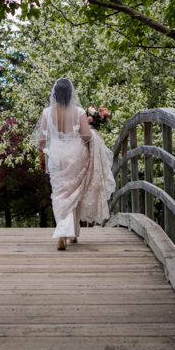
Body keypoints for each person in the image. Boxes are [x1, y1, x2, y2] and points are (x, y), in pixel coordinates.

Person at [33, 78, 114, 250]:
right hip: (75, 156)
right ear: (71, 94)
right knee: (74, 193)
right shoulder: (78, 112)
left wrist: (42, 155)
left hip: (55, 156)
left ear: (54, 94)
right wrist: (93, 134)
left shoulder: (47, 112)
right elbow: (85, 136)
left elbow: (42, 139)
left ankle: (68, 233)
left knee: (60, 194)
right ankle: (67, 233)